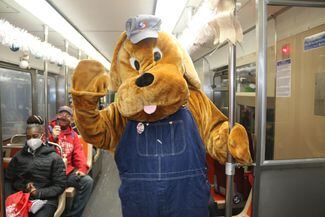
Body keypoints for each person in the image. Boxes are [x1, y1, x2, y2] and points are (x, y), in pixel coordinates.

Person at [5, 115, 66, 217]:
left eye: (35, 136)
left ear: (42, 137)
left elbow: (59, 186)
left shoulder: (54, 158)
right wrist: (10, 197)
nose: (31, 140)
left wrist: (37, 193)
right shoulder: (18, 157)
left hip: (45, 200)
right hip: (20, 196)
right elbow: (8, 179)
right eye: (28, 137)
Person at [48, 105, 93, 217]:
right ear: (57, 116)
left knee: (87, 182)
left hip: (66, 172)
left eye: (67, 115)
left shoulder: (73, 136)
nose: (64, 117)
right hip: (49, 172)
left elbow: (79, 154)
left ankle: (73, 215)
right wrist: (52, 137)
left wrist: (82, 168)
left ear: (71, 120)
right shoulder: (48, 129)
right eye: (61, 114)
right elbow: (41, 151)